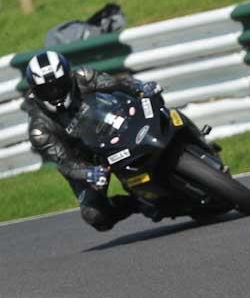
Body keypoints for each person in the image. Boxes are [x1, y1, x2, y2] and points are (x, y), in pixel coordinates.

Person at [22, 50, 161, 231]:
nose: (55, 92)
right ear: (34, 91)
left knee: (153, 100)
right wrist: (89, 173)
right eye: (46, 89)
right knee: (95, 215)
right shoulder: (40, 130)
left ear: (69, 76)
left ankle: (197, 141)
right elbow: (66, 163)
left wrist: (139, 87)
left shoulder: (83, 77)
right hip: (87, 158)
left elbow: (118, 83)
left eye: (59, 84)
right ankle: (138, 203)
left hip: (114, 123)